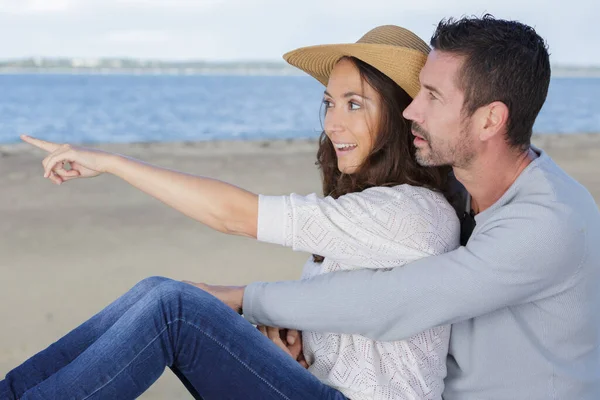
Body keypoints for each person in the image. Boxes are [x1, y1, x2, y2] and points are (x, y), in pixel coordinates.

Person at [1, 26, 461, 400]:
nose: (332, 123)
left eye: (355, 104)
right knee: (160, 291)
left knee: (174, 309)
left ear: (405, 116)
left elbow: (236, 216)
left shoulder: (414, 213)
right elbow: (357, 320)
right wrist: (296, 348)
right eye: (329, 103)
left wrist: (113, 163)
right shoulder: (367, 209)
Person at [210, 15, 600, 400]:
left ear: (489, 121)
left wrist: (250, 298)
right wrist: (303, 342)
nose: (411, 111)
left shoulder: (548, 223)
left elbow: (391, 302)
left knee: (175, 310)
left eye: (432, 95)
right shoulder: (457, 188)